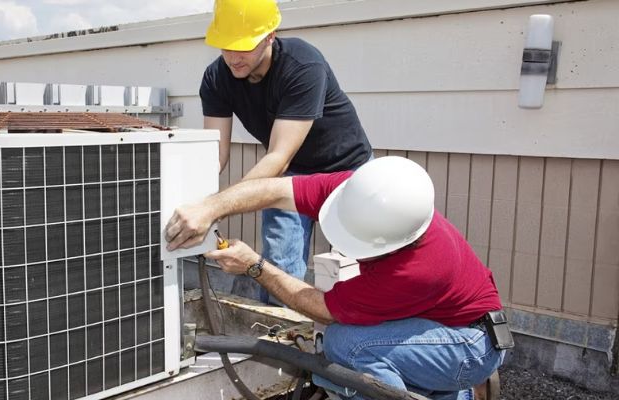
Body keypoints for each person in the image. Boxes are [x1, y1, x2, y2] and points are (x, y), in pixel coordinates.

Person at [165, 156, 506, 399]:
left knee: (347, 344)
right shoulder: (359, 192)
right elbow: (274, 189)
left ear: (392, 245)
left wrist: (255, 265)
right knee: (351, 357)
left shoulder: (416, 269)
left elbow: (322, 309)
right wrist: (211, 207)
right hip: (442, 326)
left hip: (471, 347)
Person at [196, 0, 373, 303]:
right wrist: (195, 202)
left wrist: (218, 205)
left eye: (243, 46)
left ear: (270, 35)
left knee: (359, 265)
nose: (233, 57)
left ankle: (353, 338)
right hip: (292, 175)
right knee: (279, 265)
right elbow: (217, 154)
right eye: (225, 46)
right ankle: (281, 340)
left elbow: (279, 156)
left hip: (347, 171)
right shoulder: (216, 78)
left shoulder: (303, 65)